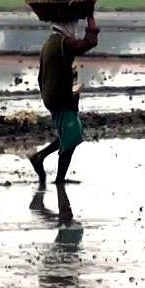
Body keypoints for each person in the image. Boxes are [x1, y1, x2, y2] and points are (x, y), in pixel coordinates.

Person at [29, 14, 99, 200]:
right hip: (61, 99)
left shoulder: (50, 43)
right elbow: (91, 42)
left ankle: (40, 158)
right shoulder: (64, 44)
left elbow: (40, 75)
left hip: (54, 97)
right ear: (67, 24)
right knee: (73, 137)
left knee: (68, 135)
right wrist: (91, 17)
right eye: (74, 22)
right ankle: (59, 180)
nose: (75, 26)